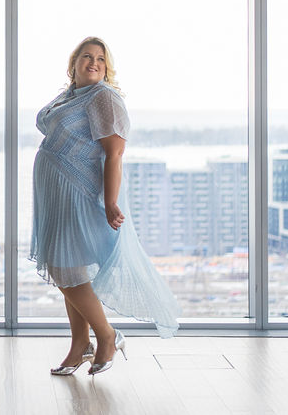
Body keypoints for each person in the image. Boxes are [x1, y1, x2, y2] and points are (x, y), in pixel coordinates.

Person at [30, 36, 180, 376]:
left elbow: (114, 153)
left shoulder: (103, 98)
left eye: (100, 58)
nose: (94, 62)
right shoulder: (70, 96)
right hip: (57, 195)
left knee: (63, 269)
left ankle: (107, 335)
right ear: (73, 64)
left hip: (81, 193)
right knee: (69, 267)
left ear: (107, 67)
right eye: (86, 56)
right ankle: (80, 345)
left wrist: (111, 202)